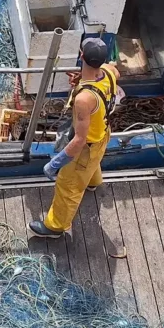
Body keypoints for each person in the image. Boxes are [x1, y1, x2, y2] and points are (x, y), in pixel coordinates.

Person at [29, 37, 119, 239]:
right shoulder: (110, 72)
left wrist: (55, 163)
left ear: (81, 56)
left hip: (85, 148)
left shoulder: (83, 99)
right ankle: (93, 183)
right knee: (93, 164)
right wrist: (83, 80)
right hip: (103, 135)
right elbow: (111, 74)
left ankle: (55, 226)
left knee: (67, 186)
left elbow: (79, 139)